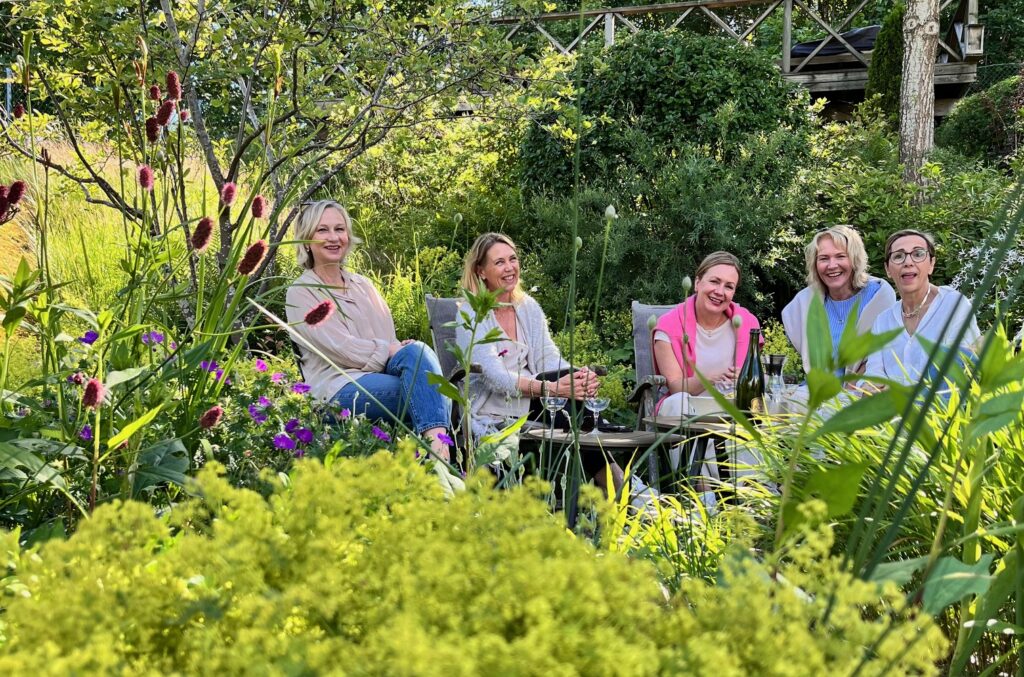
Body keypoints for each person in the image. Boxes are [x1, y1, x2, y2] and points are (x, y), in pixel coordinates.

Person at [285, 200, 453, 460]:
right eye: (323, 230)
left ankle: (434, 458)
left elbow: (389, 339)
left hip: (378, 374)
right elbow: (341, 350)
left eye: (339, 229)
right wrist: (389, 350)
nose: (333, 238)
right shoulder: (301, 292)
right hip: (337, 387)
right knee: (432, 389)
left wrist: (398, 350)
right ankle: (440, 461)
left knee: (418, 354)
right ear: (306, 240)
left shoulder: (363, 285)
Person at [455, 232, 624, 490]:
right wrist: (552, 389)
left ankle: (616, 483)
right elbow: (494, 377)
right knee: (573, 411)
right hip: (497, 405)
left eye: (513, 259)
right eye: (499, 262)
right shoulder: (472, 314)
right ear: (481, 271)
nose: (510, 267)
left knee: (569, 392)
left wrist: (578, 377)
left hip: (538, 401)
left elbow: (549, 358)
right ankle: (622, 485)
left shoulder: (527, 307)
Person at [863, 229, 980, 386]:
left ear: (931, 264)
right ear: (888, 270)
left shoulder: (953, 305)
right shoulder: (883, 321)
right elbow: (874, 373)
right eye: (898, 256)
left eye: (918, 254)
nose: (908, 262)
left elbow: (958, 368)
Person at [653, 251, 762, 413]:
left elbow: (760, 378)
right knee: (679, 401)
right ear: (697, 283)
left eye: (729, 286)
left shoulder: (748, 324)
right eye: (714, 281)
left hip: (734, 409)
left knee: (762, 403)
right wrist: (709, 379)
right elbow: (676, 387)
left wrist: (747, 379)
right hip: (686, 410)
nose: (719, 291)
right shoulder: (668, 326)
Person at [782, 225, 897, 376]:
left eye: (840, 256)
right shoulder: (805, 302)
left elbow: (886, 353)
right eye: (823, 258)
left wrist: (850, 389)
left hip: (865, 390)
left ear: (855, 259)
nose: (832, 265)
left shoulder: (879, 295)